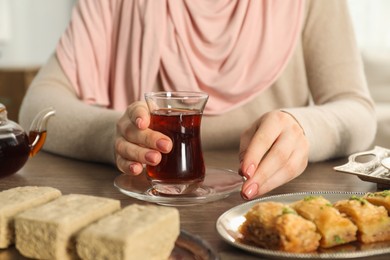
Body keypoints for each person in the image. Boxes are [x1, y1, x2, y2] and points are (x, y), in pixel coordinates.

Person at [19, 0, 376, 200]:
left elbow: (357, 109)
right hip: (134, 208)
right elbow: (38, 106)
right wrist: (118, 138)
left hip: (263, 203)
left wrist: (305, 129)